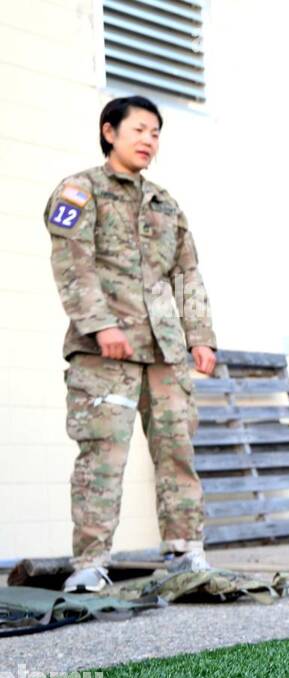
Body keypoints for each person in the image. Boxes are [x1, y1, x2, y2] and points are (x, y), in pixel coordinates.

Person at [46, 96, 217, 593]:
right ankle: (90, 562)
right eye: (139, 129)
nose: (149, 140)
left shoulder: (166, 204)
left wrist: (200, 337)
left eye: (156, 133)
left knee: (177, 453)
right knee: (102, 457)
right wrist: (100, 325)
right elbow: (72, 263)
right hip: (106, 352)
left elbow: (188, 275)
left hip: (166, 353)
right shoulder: (80, 190)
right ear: (109, 132)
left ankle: (187, 553)